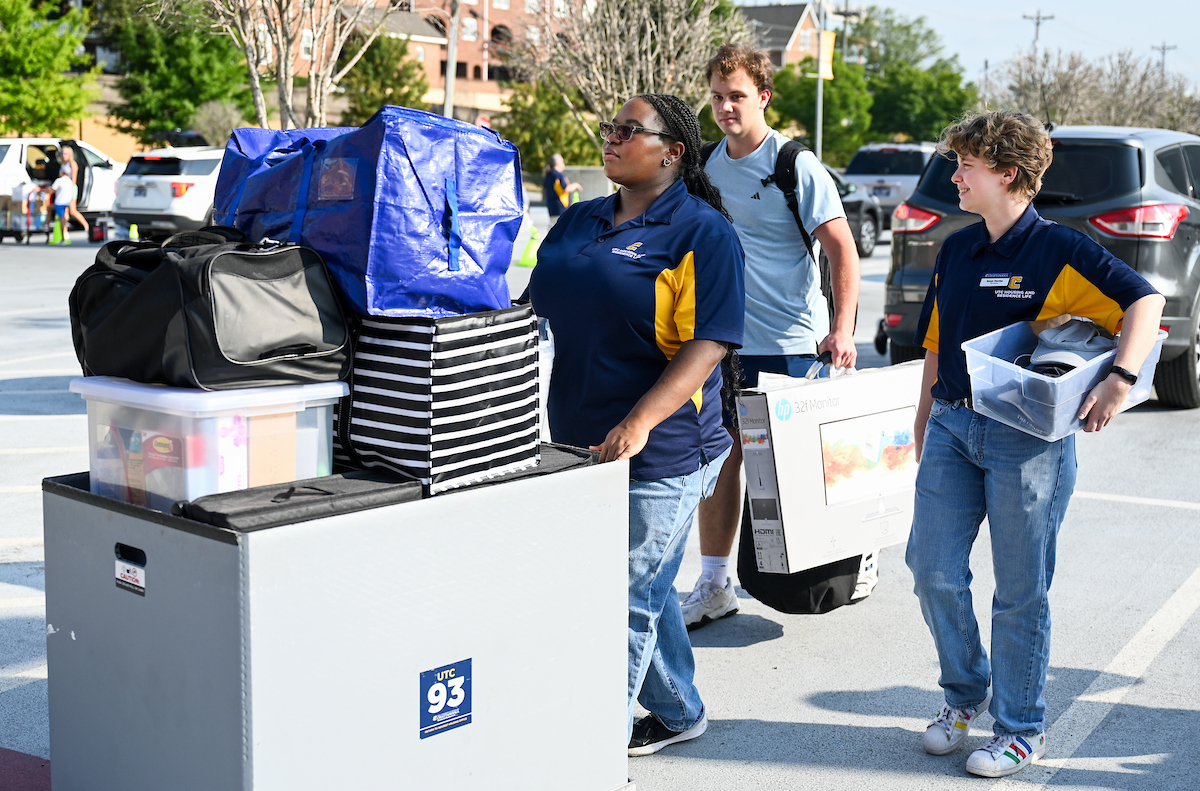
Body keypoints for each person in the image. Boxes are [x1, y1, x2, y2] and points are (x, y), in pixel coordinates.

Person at [907, 110, 1164, 779]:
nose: (954, 176)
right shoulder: (957, 249)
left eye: (966, 165)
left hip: (1027, 440)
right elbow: (935, 340)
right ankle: (965, 694)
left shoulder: (1059, 249)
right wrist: (923, 417)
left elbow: (1145, 303)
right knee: (931, 569)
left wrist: (1119, 379)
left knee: (1020, 591)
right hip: (952, 425)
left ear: (1008, 173)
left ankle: (1020, 729)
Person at [527, 94, 745, 757]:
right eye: (611, 128)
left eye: (629, 130)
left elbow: (710, 341)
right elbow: (530, 306)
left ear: (673, 151)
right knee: (635, 583)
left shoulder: (702, 232)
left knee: (622, 589)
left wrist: (641, 420)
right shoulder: (578, 219)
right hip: (576, 438)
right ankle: (679, 711)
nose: (612, 138)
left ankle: (596, 744)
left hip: (665, 446)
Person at [680, 42, 861, 628]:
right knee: (722, 459)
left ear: (763, 96)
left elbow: (842, 250)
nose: (725, 108)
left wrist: (842, 330)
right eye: (716, 97)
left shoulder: (794, 165)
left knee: (799, 467)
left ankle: (855, 554)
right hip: (724, 343)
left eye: (736, 96)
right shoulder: (704, 165)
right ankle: (714, 582)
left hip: (790, 342)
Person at [59, 147, 90, 238]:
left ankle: (86, 226)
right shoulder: (62, 164)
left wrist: (71, 191)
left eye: (66, 154)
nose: (63, 156)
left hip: (71, 188)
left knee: (72, 211)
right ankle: (64, 231)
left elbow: (74, 179)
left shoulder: (72, 164)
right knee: (65, 210)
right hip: (63, 189)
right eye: (62, 154)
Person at [542, 154, 581, 227]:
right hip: (561, 206)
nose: (564, 164)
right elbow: (565, 188)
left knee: (553, 226)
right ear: (558, 164)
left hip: (551, 206)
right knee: (562, 227)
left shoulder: (549, 175)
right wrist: (576, 185)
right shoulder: (559, 174)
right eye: (562, 162)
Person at [49, 170, 77, 245]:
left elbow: (52, 190)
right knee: (64, 217)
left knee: (61, 218)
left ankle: (62, 237)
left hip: (59, 202)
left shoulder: (59, 180)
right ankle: (65, 234)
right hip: (67, 202)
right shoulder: (70, 181)